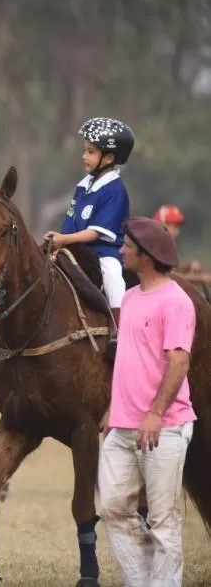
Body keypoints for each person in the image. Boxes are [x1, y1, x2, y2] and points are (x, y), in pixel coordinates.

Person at [98, 216, 196, 587]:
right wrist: (113, 406)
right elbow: (129, 360)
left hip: (164, 428)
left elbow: (179, 362)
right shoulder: (130, 298)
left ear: (148, 256)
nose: (121, 250)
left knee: (163, 519)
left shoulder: (176, 302)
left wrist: (155, 413)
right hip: (121, 426)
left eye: (127, 246)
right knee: (112, 508)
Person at [43, 117, 133, 350]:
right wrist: (58, 241)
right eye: (85, 150)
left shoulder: (115, 191)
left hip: (104, 253)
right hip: (74, 247)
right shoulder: (83, 186)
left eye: (91, 152)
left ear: (109, 158)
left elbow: (94, 233)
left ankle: (118, 329)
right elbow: (71, 220)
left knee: (112, 275)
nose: (84, 156)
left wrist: (65, 239)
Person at [153, 204, 201, 273]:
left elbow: (172, 271)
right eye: (175, 227)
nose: (178, 232)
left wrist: (188, 268)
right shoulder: (151, 250)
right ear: (162, 225)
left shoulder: (167, 249)